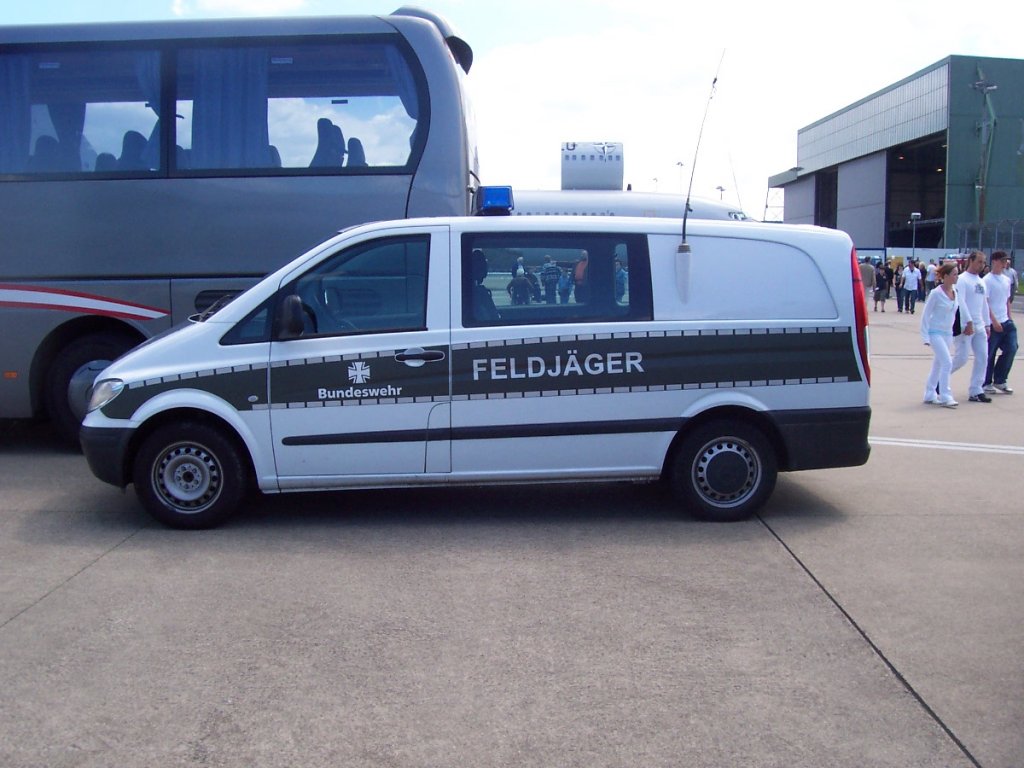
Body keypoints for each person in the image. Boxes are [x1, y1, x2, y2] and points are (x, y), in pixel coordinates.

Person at [950, 250, 991, 402]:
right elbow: (961, 302)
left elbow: (984, 304)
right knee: (961, 358)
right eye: (979, 261)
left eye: (983, 262)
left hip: (979, 325)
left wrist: (987, 325)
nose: (982, 265)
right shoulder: (962, 280)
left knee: (983, 357)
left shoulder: (981, 281)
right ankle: (939, 380)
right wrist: (968, 323)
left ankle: (976, 389)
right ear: (970, 261)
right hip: (966, 326)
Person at [920, 262, 961, 407]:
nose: (957, 277)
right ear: (945, 276)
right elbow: (926, 315)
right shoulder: (936, 293)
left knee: (938, 364)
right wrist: (925, 336)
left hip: (947, 333)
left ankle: (929, 393)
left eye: (957, 273)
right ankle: (945, 395)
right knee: (947, 362)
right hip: (935, 332)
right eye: (954, 274)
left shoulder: (955, 292)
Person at [982, 250, 1016, 395]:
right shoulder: (986, 280)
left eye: (1006, 261)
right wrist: (994, 321)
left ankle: (1000, 379)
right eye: (1002, 261)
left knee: (1012, 348)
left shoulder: (1006, 280)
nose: (1005, 264)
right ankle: (986, 382)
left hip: (1006, 321)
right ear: (994, 261)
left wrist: (1009, 317)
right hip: (993, 322)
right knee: (990, 353)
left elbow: (1007, 300)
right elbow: (986, 303)